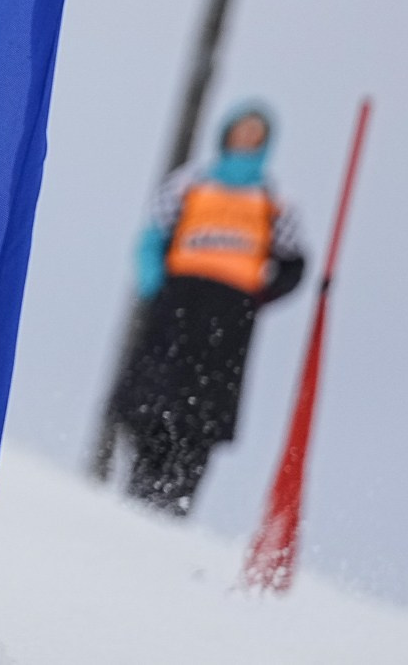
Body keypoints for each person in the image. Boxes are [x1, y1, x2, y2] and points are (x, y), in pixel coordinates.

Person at [113, 100, 308, 515]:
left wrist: (256, 297)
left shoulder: (274, 201)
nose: (247, 139)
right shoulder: (190, 184)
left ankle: (176, 502)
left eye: (257, 133)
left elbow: (294, 263)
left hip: (229, 321)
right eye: (242, 129)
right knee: (154, 400)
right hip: (177, 307)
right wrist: (156, 285)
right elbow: (153, 236)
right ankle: (137, 493)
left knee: (203, 412)